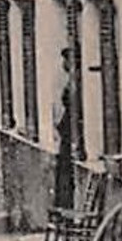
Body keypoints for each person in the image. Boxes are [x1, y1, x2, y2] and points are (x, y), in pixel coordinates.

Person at [54, 49, 78, 210]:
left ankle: (64, 206)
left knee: (65, 172)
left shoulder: (76, 81)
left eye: (66, 60)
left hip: (71, 133)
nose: (64, 64)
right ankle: (62, 206)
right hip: (66, 131)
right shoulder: (71, 80)